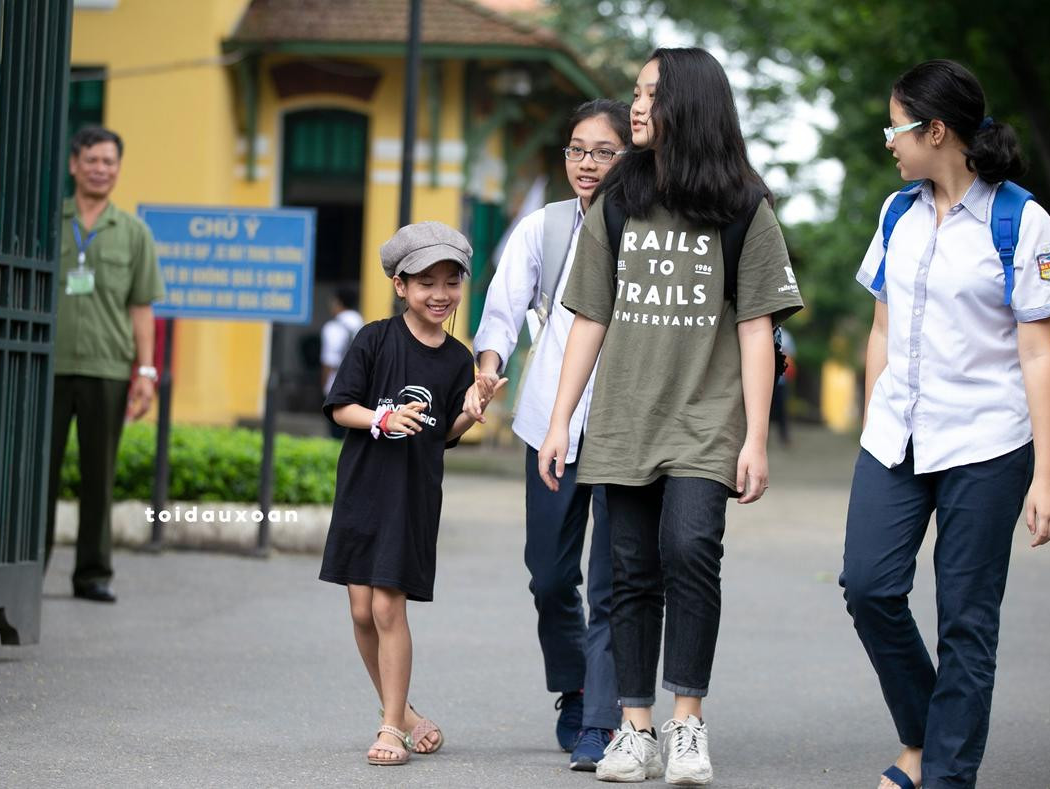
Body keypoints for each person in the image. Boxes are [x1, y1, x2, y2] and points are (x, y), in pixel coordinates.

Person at [536, 48, 803, 784]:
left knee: (690, 549)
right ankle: (634, 725)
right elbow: (590, 314)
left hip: (705, 418)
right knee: (630, 570)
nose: (639, 106)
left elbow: (757, 326)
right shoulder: (622, 193)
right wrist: (561, 419)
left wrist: (756, 435)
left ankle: (687, 722)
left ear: (690, 101)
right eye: (637, 92)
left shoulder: (743, 203)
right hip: (624, 414)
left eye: (652, 92)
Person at [841, 59, 1050, 789]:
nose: (889, 142)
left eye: (895, 126)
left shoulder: (1022, 221)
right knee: (868, 585)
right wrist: (875, 411)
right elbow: (880, 326)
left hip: (987, 444)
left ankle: (942, 776)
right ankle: (923, 730)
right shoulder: (896, 212)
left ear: (935, 130)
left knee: (967, 622)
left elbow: (1040, 353)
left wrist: (1046, 473)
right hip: (896, 436)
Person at [466, 98, 630, 770]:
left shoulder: (646, 229)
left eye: (602, 151)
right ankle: (574, 682)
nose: (585, 163)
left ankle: (600, 714)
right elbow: (503, 310)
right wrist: (487, 368)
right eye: (575, 149)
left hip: (624, 426)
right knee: (549, 575)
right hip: (548, 423)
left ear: (629, 157)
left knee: (614, 577)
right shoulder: (545, 226)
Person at [319, 222, 506, 766]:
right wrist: (382, 417)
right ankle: (405, 713)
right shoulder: (373, 339)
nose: (440, 294)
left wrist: (470, 414)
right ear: (400, 285)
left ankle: (388, 728)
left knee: (386, 604)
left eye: (451, 282)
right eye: (426, 282)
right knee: (359, 609)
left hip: (413, 495)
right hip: (362, 487)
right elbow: (340, 407)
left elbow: (444, 433)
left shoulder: (456, 359)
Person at [45, 126, 165, 603]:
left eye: (109, 162)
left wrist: (146, 372)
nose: (101, 169)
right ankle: (25, 567)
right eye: (92, 160)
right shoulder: (48, 220)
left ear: (118, 169)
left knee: (100, 473)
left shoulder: (133, 233)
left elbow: (141, 308)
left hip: (109, 369)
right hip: (47, 366)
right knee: (37, 473)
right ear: (74, 164)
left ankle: (92, 573)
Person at [321, 286, 365, 439]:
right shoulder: (363, 324)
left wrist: (324, 387)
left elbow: (328, 362)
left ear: (338, 302)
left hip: (336, 385)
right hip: (360, 386)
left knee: (336, 435)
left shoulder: (332, 327)